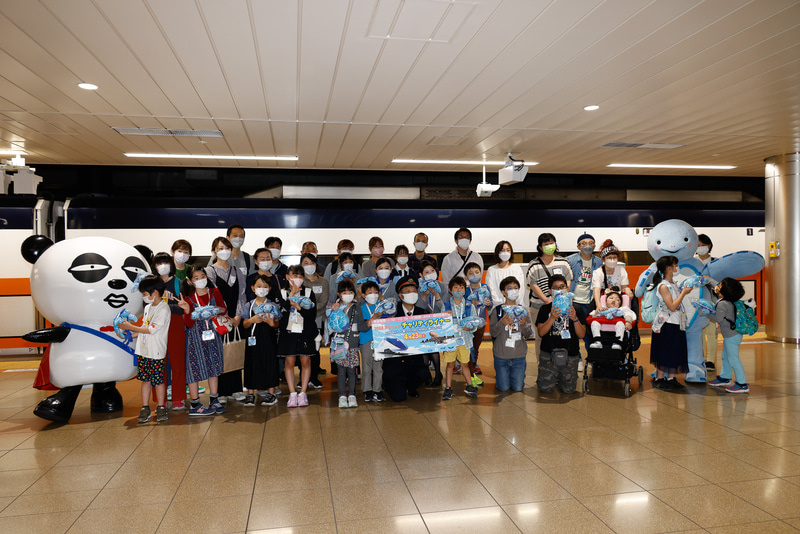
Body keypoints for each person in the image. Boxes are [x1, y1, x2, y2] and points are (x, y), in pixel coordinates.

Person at [119, 275, 171, 423]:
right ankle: (145, 407)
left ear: (154, 292)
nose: (144, 296)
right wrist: (130, 334)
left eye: (144, 293)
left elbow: (151, 329)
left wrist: (129, 326)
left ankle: (161, 406)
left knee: (158, 381)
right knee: (145, 380)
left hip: (156, 352)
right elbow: (144, 328)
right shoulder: (148, 308)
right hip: (143, 350)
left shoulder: (164, 308)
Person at [176, 265, 227, 416]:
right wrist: (187, 311)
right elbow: (189, 323)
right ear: (190, 281)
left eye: (202, 277)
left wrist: (214, 310)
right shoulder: (188, 299)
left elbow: (224, 309)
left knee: (214, 366)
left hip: (213, 334)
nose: (200, 280)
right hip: (195, 337)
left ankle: (214, 400)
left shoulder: (214, 292)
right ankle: (195, 404)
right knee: (194, 369)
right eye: (196, 278)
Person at [206, 236, 247, 403]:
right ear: (214, 250)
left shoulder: (237, 271)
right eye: (220, 247)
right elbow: (209, 296)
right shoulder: (210, 271)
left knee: (234, 351)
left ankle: (235, 389)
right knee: (220, 353)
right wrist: (222, 317)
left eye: (227, 247)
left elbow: (242, 295)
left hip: (235, 319)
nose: (224, 251)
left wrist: (237, 316)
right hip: (218, 320)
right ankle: (221, 391)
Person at [382, 276, 431, 402]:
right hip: (395, 362)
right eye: (408, 291)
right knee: (399, 398)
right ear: (401, 296)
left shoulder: (423, 313)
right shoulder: (391, 312)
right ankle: (389, 383)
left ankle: (411, 386)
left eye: (414, 291)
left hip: (414, 360)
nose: (412, 294)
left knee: (424, 373)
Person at [535, 274, 586, 394]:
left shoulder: (576, 309)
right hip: (548, 353)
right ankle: (551, 377)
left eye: (562, 286)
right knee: (545, 389)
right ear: (550, 291)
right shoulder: (545, 309)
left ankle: (561, 377)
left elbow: (582, 335)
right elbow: (541, 332)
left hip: (570, 353)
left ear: (567, 288)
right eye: (556, 287)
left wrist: (574, 318)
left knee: (569, 390)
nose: (559, 290)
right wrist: (552, 318)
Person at [277, 265, 319, 407]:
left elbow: (312, 315)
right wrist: (290, 298)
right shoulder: (282, 293)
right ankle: (292, 393)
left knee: (305, 361)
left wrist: (299, 307)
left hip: (305, 332)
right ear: (288, 277)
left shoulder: (308, 292)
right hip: (288, 333)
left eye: (300, 276)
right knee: (289, 362)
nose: (298, 279)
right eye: (294, 276)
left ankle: (303, 393)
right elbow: (280, 313)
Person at [649, 255, 693, 391]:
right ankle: (659, 379)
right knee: (664, 352)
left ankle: (671, 378)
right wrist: (683, 293)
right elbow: (672, 306)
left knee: (675, 351)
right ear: (669, 267)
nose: (676, 267)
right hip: (666, 324)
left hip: (677, 323)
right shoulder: (663, 286)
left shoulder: (673, 284)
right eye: (675, 265)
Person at [527, 233, 572, 357]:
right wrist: (547, 300)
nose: (550, 246)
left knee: (562, 333)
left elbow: (568, 280)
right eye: (546, 244)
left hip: (562, 307)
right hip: (539, 306)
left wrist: (561, 298)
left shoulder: (563, 261)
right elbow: (532, 284)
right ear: (540, 247)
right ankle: (542, 362)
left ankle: (562, 360)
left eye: (552, 243)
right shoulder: (534, 264)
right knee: (541, 336)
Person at [152, 252, 187, 410]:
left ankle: (179, 397)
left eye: (165, 262)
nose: (162, 266)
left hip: (175, 325)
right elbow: (148, 307)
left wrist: (166, 303)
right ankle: (162, 399)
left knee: (178, 362)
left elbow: (183, 308)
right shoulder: (151, 284)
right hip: (157, 327)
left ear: (171, 264)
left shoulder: (179, 283)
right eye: (158, 263)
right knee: (159, 363)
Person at [240, 275, 280, 406]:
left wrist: (271, 323)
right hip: (252, 340)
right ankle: (250, 394)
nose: (261, 289)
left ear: (269, 289)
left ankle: (271, 393)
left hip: (268, 339)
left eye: (265, 287)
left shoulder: (272, 305)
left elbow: (277, 323)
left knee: (270, 364)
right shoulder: (248, 305)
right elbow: (245, 324)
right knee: (251, 364)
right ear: (252, 288)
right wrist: (252, 320)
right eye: (258, 286)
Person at [705, 277, 749, 393]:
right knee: (726, 356)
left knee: (733, 359)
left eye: (720, 285)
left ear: (723, 291)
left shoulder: (723, 304)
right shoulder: (729, 301)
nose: (717, 286)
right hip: (732, 335)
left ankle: (742, 384)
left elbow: (717, 318)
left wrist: (705, 313)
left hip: (731, 336)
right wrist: (709, 280)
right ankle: (724, 377)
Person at [490, 277, 533, 392]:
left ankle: (514, 376)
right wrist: (502, 323)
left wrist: (523, 324)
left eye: (516, 288)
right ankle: (501, 376)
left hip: (519, 355)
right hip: (501, 355)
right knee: (503, 388)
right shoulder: (497, 311)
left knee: (518, 388)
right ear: (503, 292)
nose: (513, 291)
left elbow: (528, 334)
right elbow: (493, 333)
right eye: (510, 288)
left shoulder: (523, 310)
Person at [441, 276, 480, 400]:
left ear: (465, 290)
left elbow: (475, 323)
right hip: (450, 341)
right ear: (450, 290)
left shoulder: (469, 306)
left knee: (465, 364)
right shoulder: (446, 305)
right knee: (450, 365)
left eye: (461, 287)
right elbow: (441, 324)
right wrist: (444, 318)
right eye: (456, 287)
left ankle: (469, 386)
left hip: (465, 340)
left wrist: (471, 328)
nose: (459, 290)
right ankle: (448, 388)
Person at [328, 279, 363, 408]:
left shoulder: (357, 307)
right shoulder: (335, 308)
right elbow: (330, 327)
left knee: (352, 371)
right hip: (339, 344)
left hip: (353, 345)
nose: (347, 294)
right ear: (339, 294)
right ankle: (342, 395)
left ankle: (352, 395)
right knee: (341, 371)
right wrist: (333, 311)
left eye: (350, 292)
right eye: (344, 292)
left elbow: (361, 324)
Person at [566, 233, 602, 350]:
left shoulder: (598, 262)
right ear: (578, 246)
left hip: (589, 302)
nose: (588, 246)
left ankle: (591, 357)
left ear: (594, 246)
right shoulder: (570, 261)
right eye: (584, 243)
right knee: (573, 331)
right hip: (574, 301)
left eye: (591, 243)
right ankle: (578, 358)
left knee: (589, 332)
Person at [358, 280, 390, 403]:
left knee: (378, 367)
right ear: (363, 295)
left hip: (380, 340)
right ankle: (367, 390)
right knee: (366, 367)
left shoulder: (382, 306)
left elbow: (392, 316)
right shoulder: (360, 308)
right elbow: (362, 326)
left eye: (376, 292)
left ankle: (377, 390)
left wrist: (383, 301)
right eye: (370, 292)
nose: (373, 295)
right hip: (366, 340)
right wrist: (375, 316)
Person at [418, 260, 447, 386]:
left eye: (432, 271)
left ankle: (438, 374)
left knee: (434, 348)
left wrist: (436, 295)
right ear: (421, 275)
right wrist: (424, 295)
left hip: (437, 322)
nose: (430, 274)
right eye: (426, 272)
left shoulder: (443, 286)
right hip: (423, 323)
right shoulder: (419, 288)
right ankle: (427, 375)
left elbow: (444, 308)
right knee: (424, 349)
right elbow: (418, 308)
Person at [464, 261, 493, 384]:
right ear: (466, 277)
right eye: (471, 273)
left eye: (477, 272)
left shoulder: (486, 287)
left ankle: (472, 371)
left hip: (481, 324)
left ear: (481, 273)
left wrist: (488, 304)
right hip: (468, 325)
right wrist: (471, 303)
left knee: (476, 348)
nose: (474, 275)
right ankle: (469, 375)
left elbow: (490, 304)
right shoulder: (465, 289)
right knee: (468, 349)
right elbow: (461, 304)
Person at [301, 252, 326, 390]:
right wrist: (305, 310)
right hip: (301, 320)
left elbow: (324, 300)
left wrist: (310, 309)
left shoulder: (323, 281)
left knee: (315, 350)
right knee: (302, 348)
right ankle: (303, 379)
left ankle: (314, 377)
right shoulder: (299, 280)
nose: (309, 266)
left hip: (317, 319)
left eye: (312, 263)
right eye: (306, 263)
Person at [696, 234, 718, 370]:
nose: (699, 248)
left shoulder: (716, 263)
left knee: (711, 332)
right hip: (696, 302)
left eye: (701, 245)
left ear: (708, 246)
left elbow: (720, 283)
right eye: (697, 246)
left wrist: (709, 280)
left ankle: (710, 360)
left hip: (712, 301)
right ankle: (701, 358)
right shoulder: (693, 262)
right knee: (699, 332)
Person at [592, 239, 633, 310]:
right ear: (603, 259)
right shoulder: (598, 272)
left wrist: (628, 290)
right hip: (602, 302)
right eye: (609, 258)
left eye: (614, 257)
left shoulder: (621, 270)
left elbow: (624, 288)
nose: (612, 260)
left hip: (617, 303)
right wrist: (599, 306)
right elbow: (596, 290)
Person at [486, 240, 527, 309]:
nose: (505, 253)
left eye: (508, 250)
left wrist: (514, 304)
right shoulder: (492, 270)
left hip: (516, 307)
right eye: (502, 250)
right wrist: (502, 306)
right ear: (497, 252)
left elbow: (521, 290)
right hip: (498, 308)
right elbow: (491, 291)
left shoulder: (517, 268)